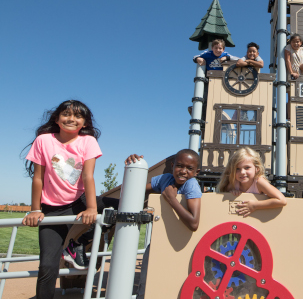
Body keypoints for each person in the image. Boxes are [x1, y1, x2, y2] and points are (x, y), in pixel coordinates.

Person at [22, 100, 115, 299]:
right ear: (56, 119)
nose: (71, 119)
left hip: (79, 201)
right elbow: (38, 177)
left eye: (78, 116)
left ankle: (78, 243)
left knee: (124, 208)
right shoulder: (44, 140)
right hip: (51, 208)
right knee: (47, 265)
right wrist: (35, 209)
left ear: (85, 124)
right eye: (66, 114)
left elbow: (87, 176)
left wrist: (91, 208)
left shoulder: (87, 141)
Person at [125, 149, 202, 230]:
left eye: (189, 168)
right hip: (161, 232)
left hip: (178, 237)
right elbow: (137, 189)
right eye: (179, 166)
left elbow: (194, 224)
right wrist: (133, 165)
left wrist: (171, 199)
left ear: (196, 172)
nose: (183, 171)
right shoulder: (166, 179)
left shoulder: (191, 184)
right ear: (172, 166)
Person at [217, 147, 287, 217]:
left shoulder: (259, 182)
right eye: (237, 169)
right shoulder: (234, 183)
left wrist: (255, 205)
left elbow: (282, 200)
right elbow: (224, 196)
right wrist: (232, 192)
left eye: (247, 167)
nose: (242, 172)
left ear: (257, 169)